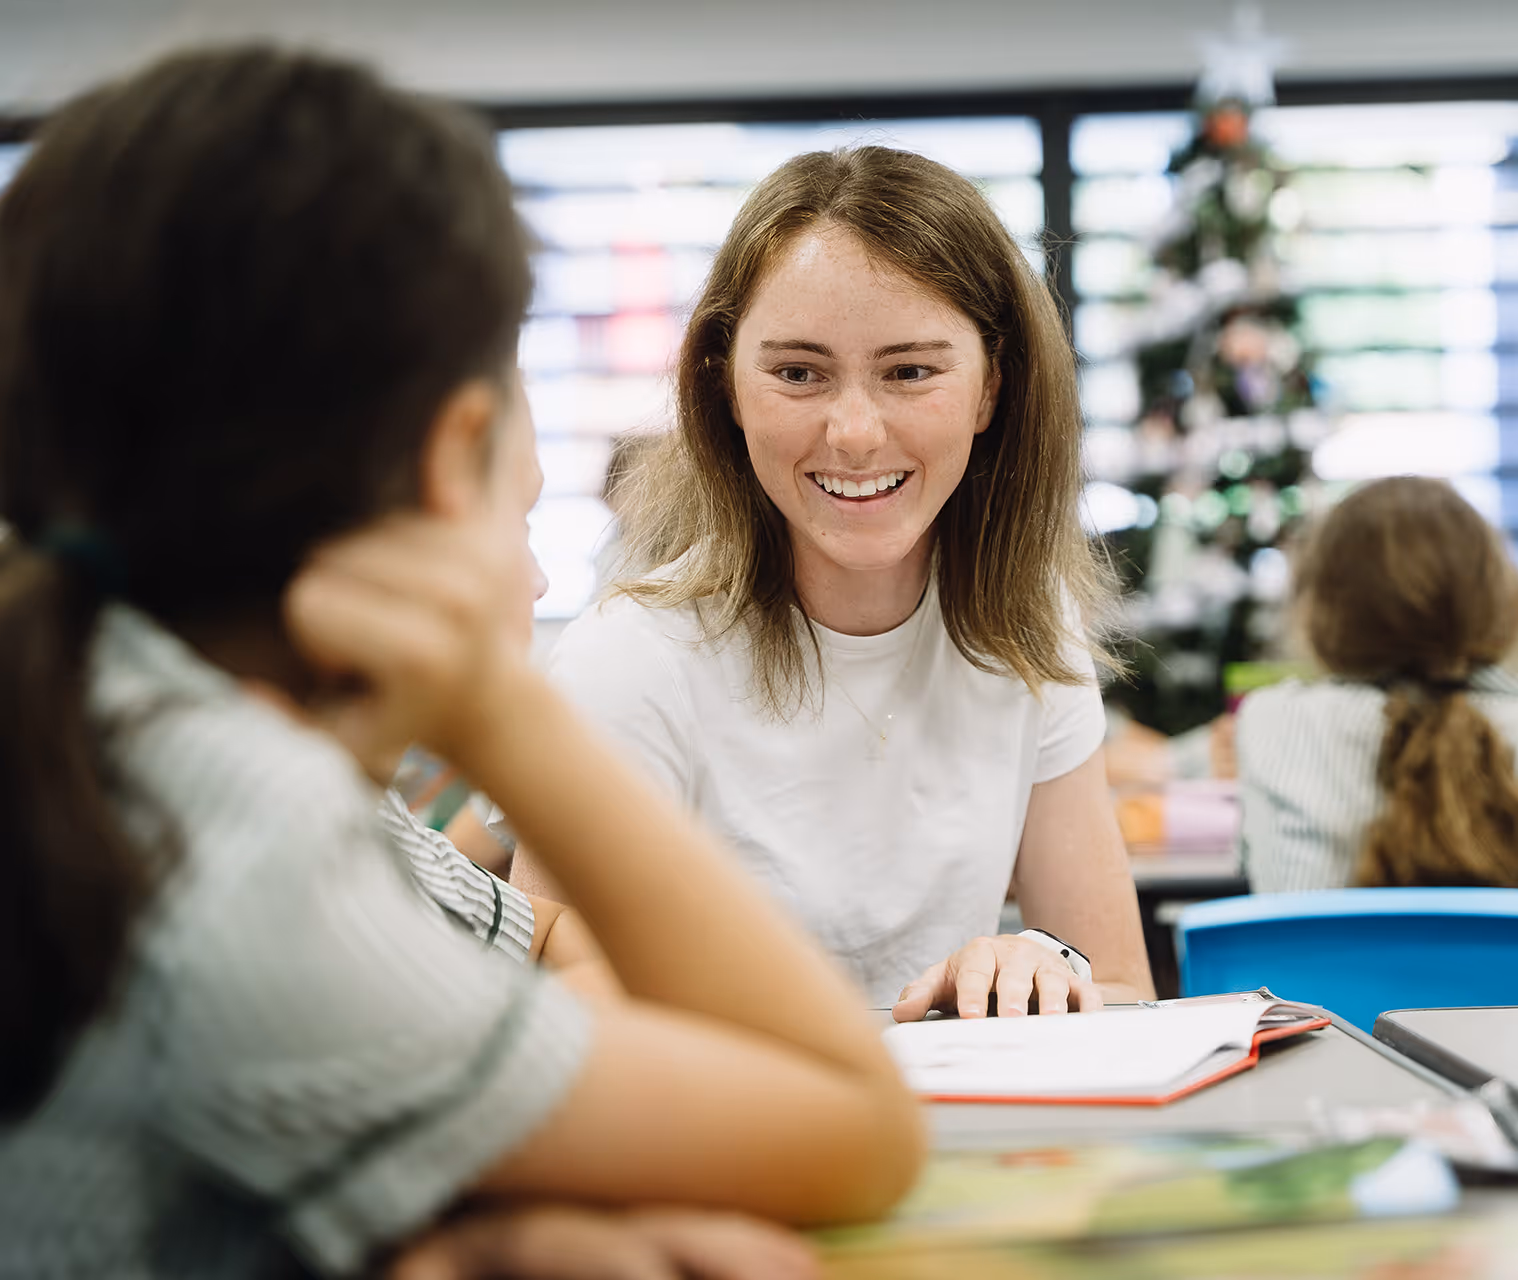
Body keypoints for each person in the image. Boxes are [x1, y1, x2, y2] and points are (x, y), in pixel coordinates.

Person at [0, 46, 921, 1278]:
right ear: (456, 450)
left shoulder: (109, 722)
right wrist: (504, 714)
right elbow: (853, 1120)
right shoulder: (229, 841)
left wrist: (461, 1220)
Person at [510, 147, 1155, 1019]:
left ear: (990, 390)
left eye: (911, 372)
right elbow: (556, 1040)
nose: (854, 434)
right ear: (727, 388)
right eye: (798, 373)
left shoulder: (1027, 623)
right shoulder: (631, 658)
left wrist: (1042, 971)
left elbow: (1122, 989)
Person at [1237, 477, 1518, 894]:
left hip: (1320, 967)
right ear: (1504, 604)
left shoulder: (1272, 725)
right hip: (1504, 967)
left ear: (1318, 615)